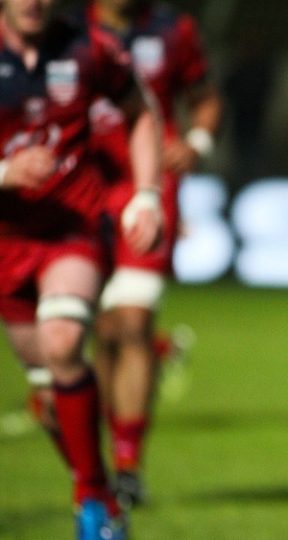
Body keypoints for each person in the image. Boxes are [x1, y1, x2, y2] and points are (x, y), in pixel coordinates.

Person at [0, 0, 163, 537]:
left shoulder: (89, 47)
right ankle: (97, 492)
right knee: (50, 395)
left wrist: (146, 194)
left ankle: (92, 501)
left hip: (73, 228)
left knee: (65, 341)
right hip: (7, 242)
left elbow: (141, 110)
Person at [77, 0, 222, 508]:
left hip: (148, 187)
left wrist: (198, 142)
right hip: (81, 190)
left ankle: (128, 463)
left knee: (134, 322)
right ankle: (106, 452)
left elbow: (205, 100)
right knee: (102, 329)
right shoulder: (69, 25)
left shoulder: (172, 30)